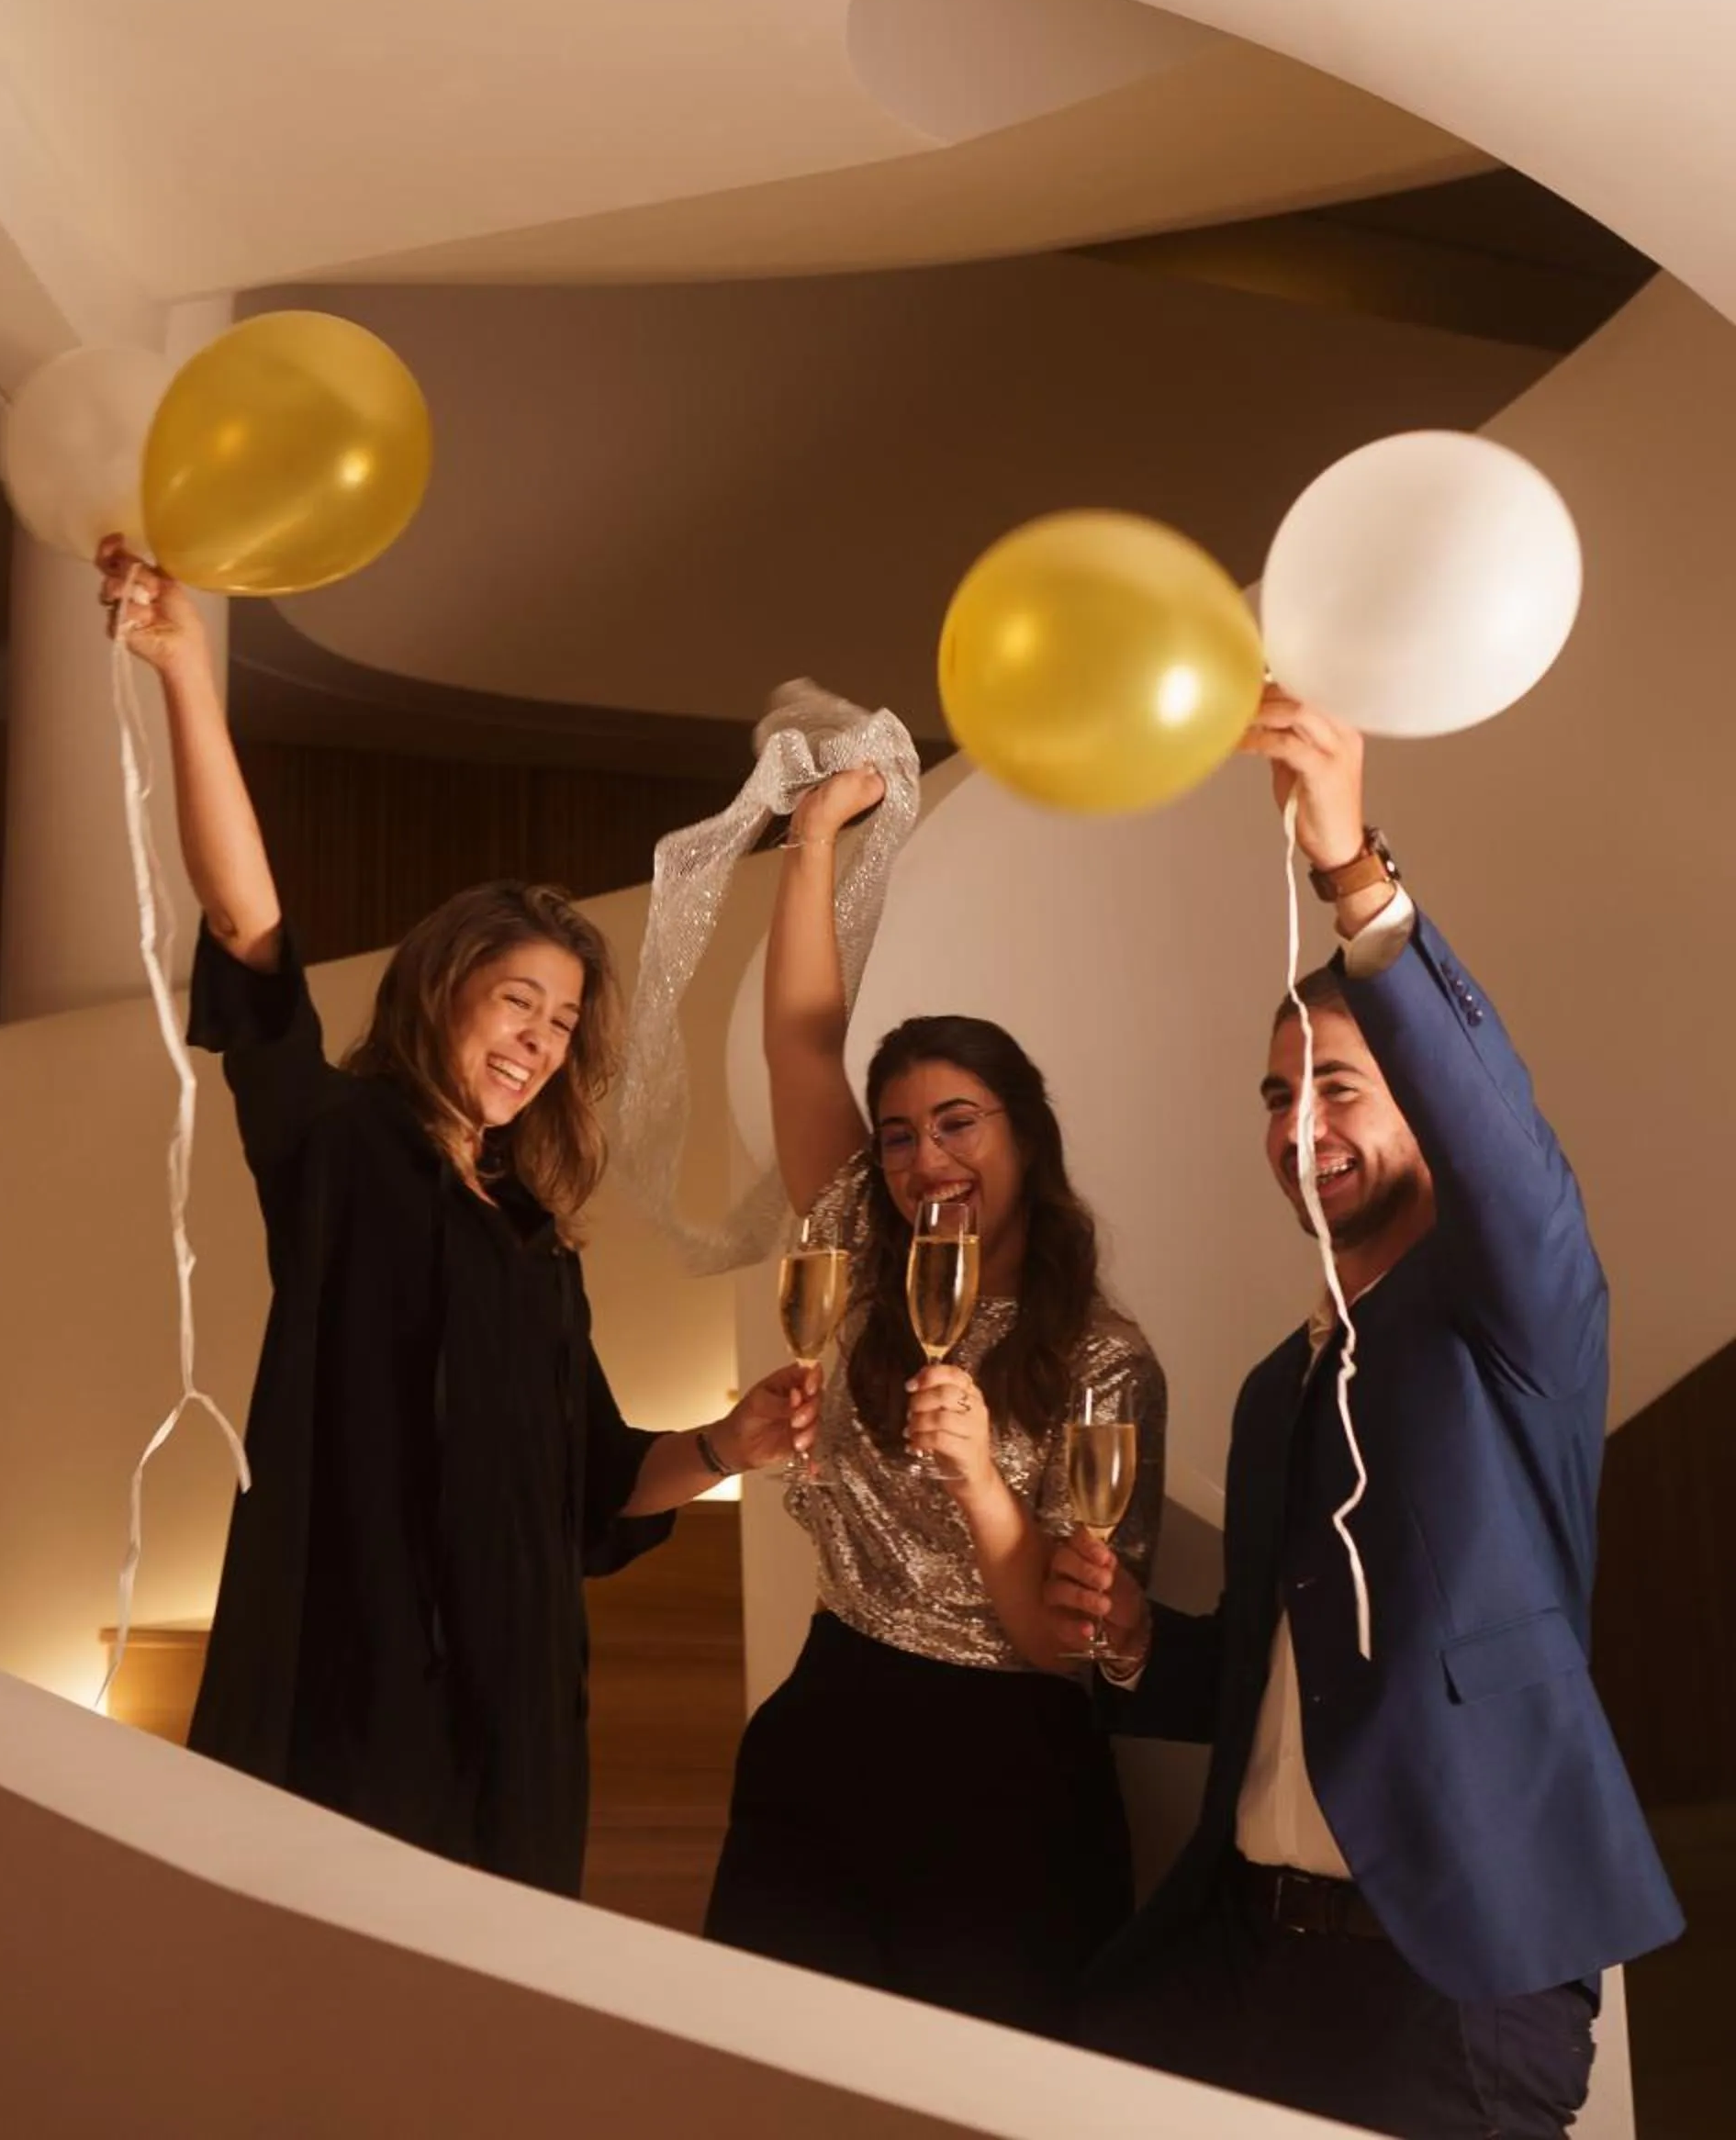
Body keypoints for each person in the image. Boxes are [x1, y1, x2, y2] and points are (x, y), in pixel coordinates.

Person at [97, 538, 814, 1895]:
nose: (540, 1042)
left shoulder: (533, 1237)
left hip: (519, 1715)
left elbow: (598, 1490)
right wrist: (189, 671)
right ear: (443, 990)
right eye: (518, 1002)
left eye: (564, 1023)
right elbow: (249, 926)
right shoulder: (338, 1145)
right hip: (357, 1694)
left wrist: (734, 1441)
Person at [1047, 687, 1683, 2136]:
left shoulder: (1513, 1315)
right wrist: (1140, 1640)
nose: (1298, 1126)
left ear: (1425, 1112)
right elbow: (1285, 1676)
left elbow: (1504, 1144)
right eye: (1276, 1098)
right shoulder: (1277, 1385)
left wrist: (1352, 873)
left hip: (1447, 1992)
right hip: (1245, 1964)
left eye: (1337, 1087)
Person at [703, 762, 1166, 2038]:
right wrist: (810, 843)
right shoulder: (862, 1253)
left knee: (976, 2094)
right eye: (900, 1134)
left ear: (1025, 1138)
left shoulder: (1103, 1358)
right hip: (828, 1725)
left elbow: (1060, 1646)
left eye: (958, 1124)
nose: (925, 1159)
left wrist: (976, 1482)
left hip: (1005, 1775)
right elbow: (802, 1042)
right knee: (770, 2076)